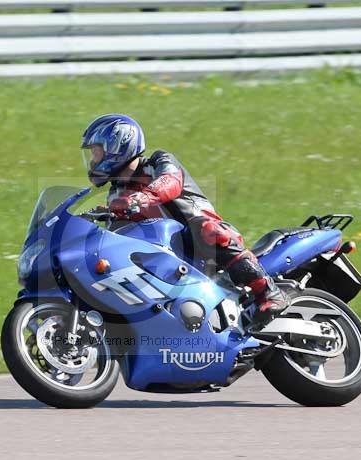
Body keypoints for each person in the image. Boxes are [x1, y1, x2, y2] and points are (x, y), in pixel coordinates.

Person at [80, 113, 290, 327]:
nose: (93, 160)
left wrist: (143, 197)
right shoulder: (116, 193)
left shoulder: (158, 162)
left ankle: (270, 293)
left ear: (118, 146)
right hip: (167, 254)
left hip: (200, 242)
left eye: (97, 152)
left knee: (208, 230)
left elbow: (170, 182)